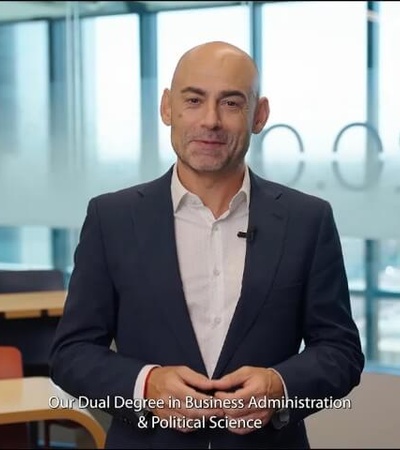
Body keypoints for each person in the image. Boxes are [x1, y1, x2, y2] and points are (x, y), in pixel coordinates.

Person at [49, 41, 364, 449]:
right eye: (193, 100)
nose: (210, 121)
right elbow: (71, 354)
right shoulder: (111, 218)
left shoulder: (309, 220)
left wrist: (282, 386)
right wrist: (145, 386)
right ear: (167, 107)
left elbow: (340, 350)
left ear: (259, 115)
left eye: (231, 103)